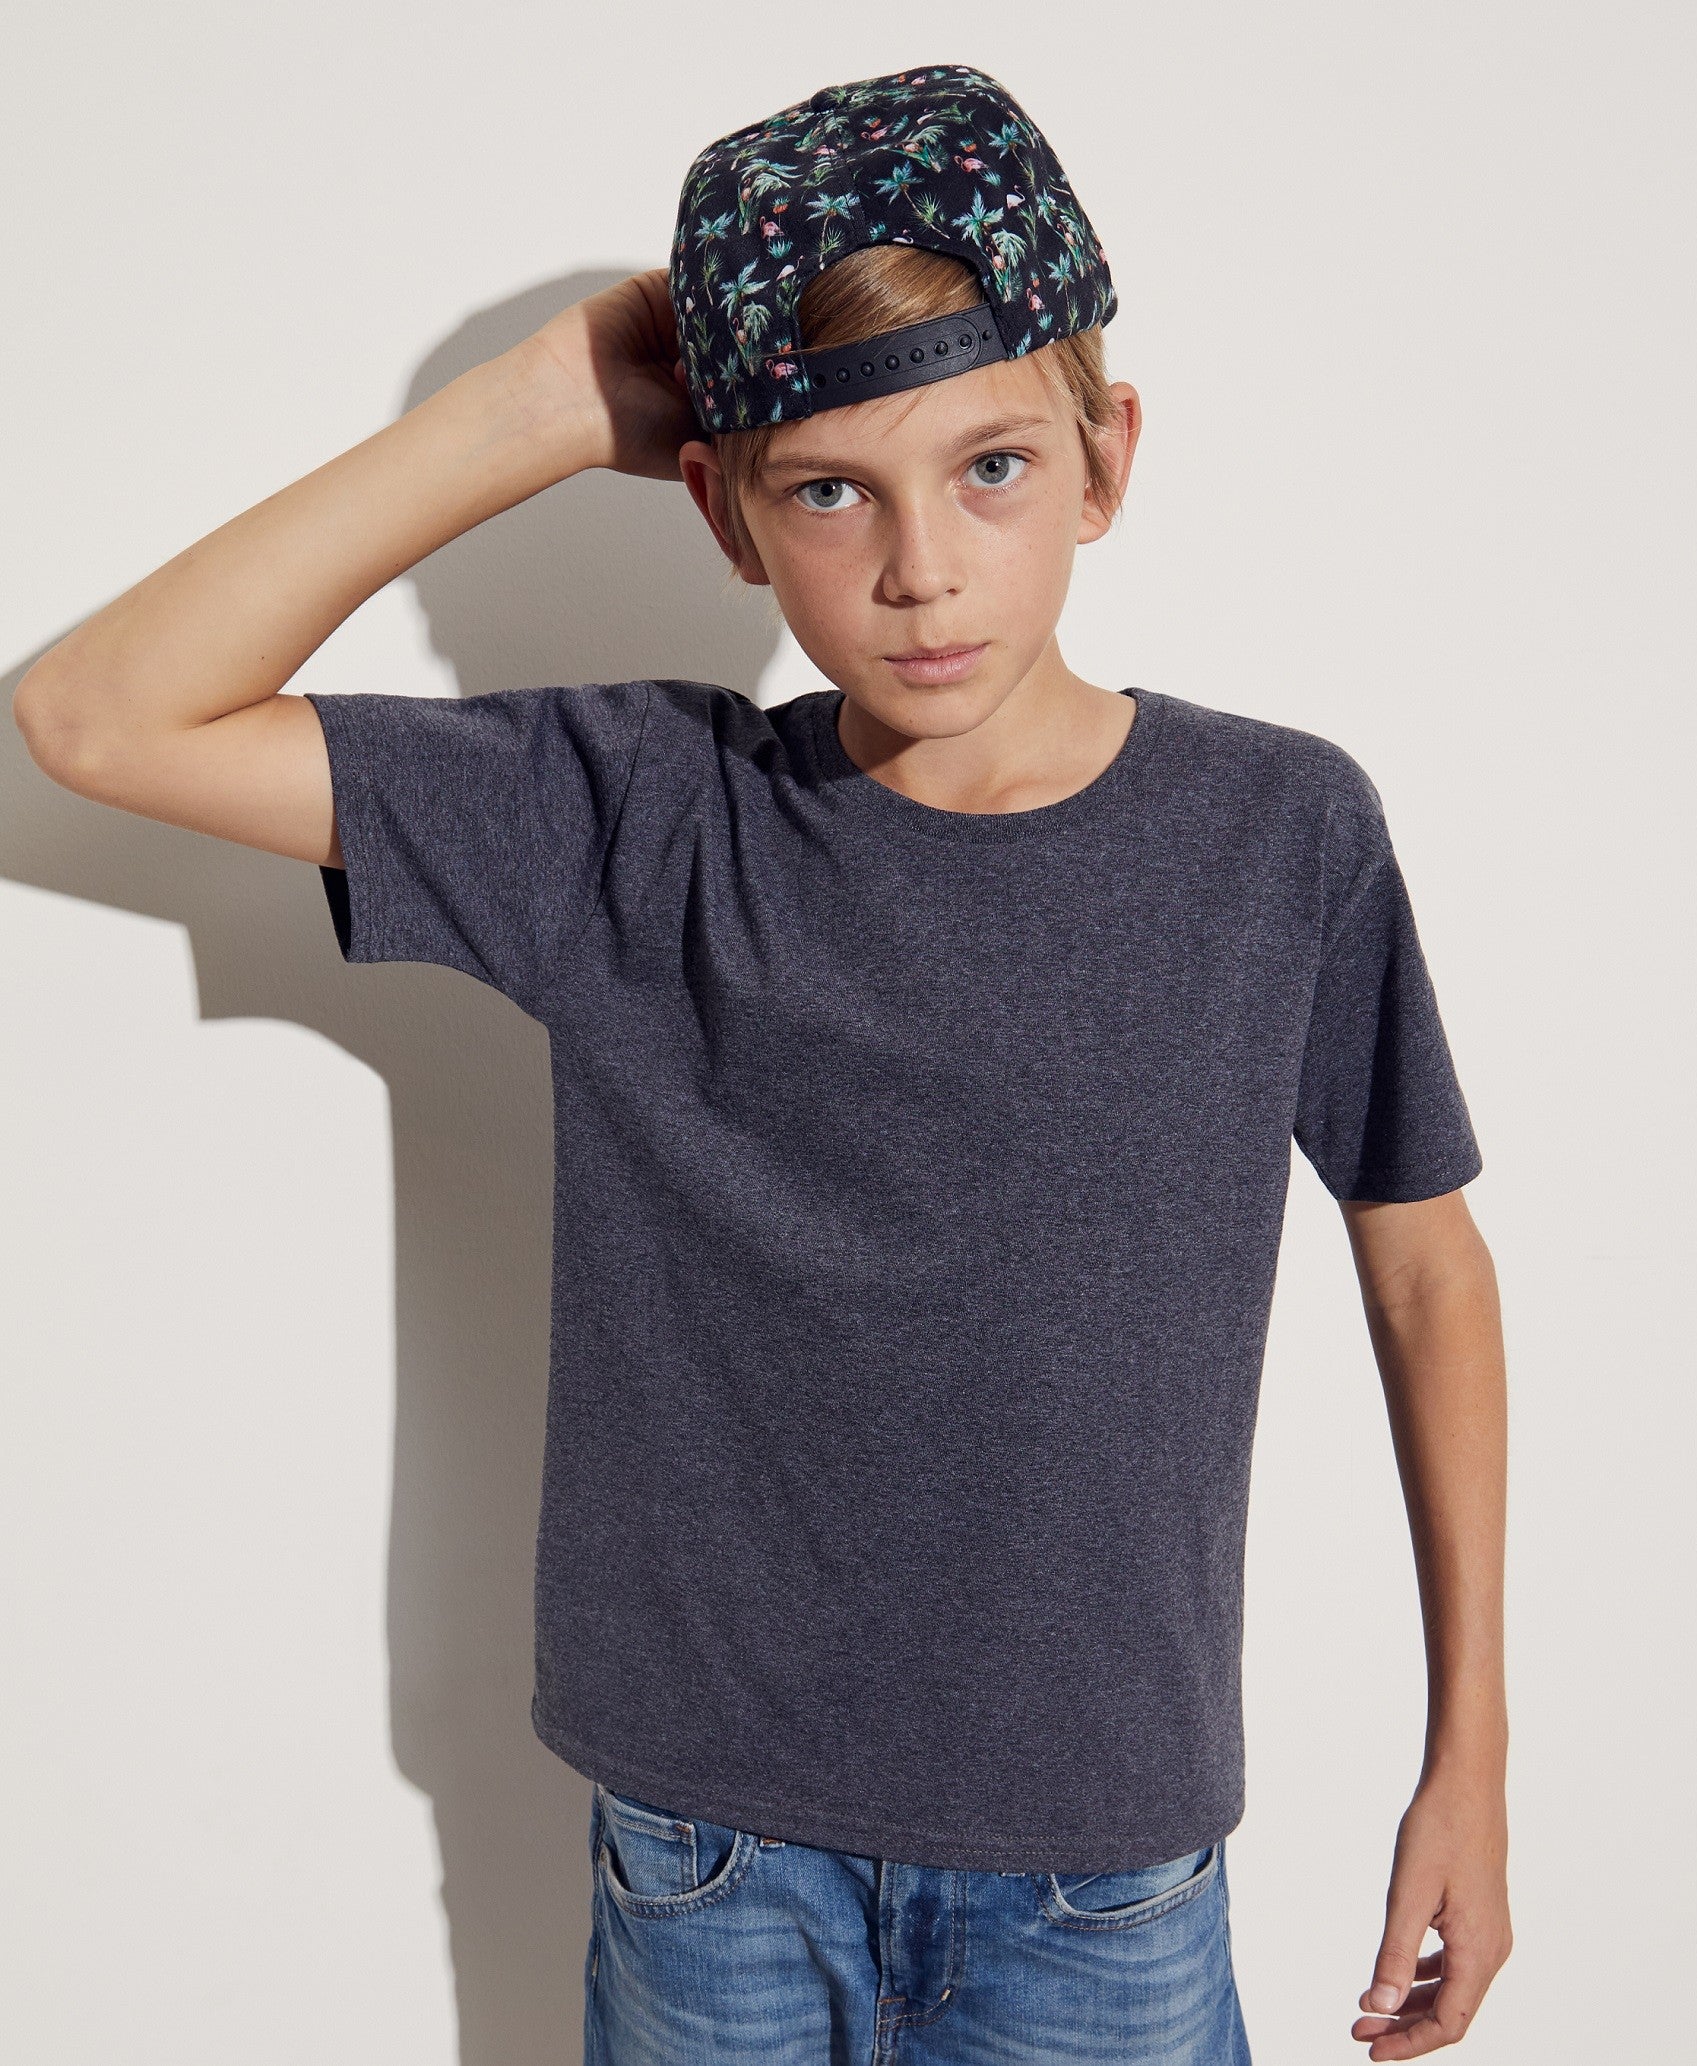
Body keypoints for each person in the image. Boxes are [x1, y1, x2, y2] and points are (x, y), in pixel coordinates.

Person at [13, 61, 1511, 2065]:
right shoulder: (639, 814)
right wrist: (539, 407)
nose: (920, 567)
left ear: (1106, 460)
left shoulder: (1276, 835)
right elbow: (96, 716)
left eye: (990, 467)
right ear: (723, 513)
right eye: (826, 491)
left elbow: (1425, 1265)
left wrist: (1470, 1756)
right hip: (710, 1862)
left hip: (1101, 1875)